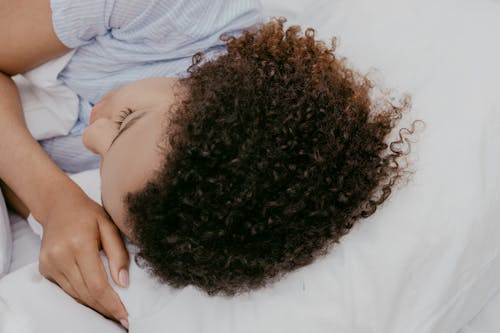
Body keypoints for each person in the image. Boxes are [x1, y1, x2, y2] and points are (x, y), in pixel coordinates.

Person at [0, 0, 415, 329]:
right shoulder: (163, 11)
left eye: (101, 167)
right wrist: (52, 196)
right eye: (127, 120)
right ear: (202, 82)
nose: (93, 136)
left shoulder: (161, 202)